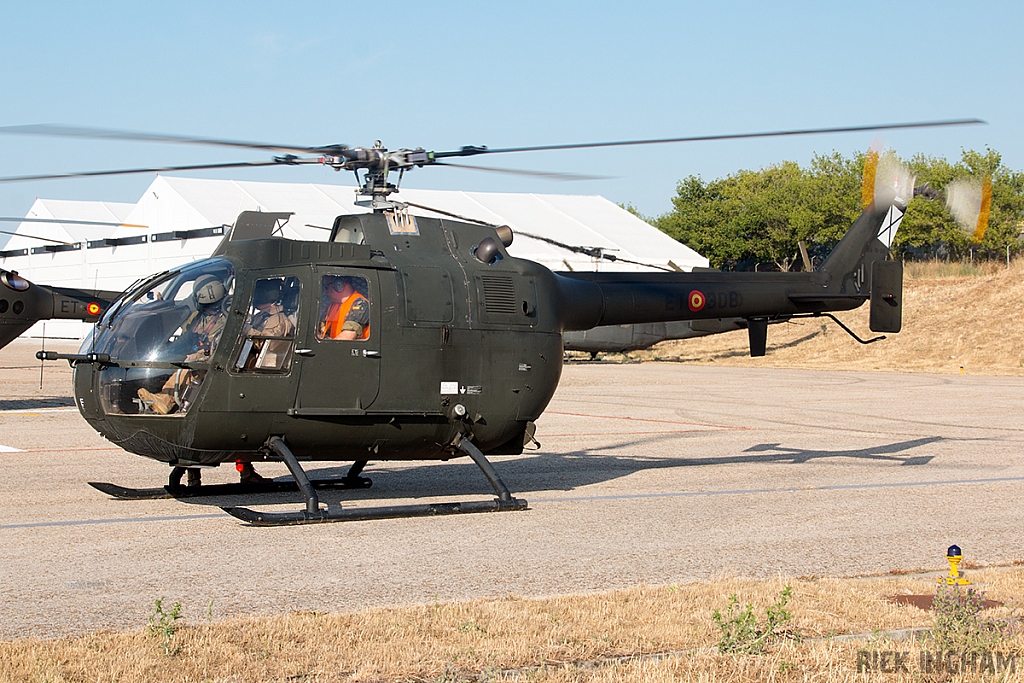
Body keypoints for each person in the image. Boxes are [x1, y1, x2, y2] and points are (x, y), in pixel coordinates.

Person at [137, 274, 228, 415]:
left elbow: (223, 347)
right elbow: (185, 339)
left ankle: (164, 400)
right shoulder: (198, 317)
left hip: (213, 361)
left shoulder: (227, 318)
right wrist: (166, 353)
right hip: (196, 355)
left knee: (191, 360)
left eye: (212, 306)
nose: (209, 309)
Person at [319, 276, 369, 340]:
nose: (326, 292)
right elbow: (320, 330)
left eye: (327, 287)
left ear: (338, 285)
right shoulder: (332, 306)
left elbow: (347, 337)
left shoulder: (361, 304)